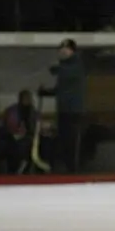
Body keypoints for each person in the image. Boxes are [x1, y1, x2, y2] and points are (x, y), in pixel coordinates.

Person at [39, 38, 86, 173]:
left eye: (66, 49)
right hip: (64, 109)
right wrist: (46, 92)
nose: (63, 52)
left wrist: (56, 68)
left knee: (72, 140)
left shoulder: (76, 65)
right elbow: (61, 88)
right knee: (64, 139)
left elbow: (67, 73)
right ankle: (66, 166)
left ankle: (73, 168)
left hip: (74, 110)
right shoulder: (65, 65)